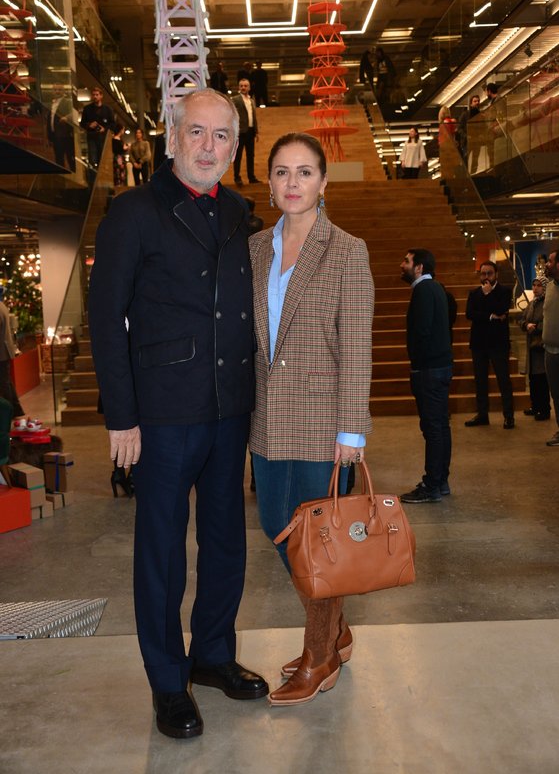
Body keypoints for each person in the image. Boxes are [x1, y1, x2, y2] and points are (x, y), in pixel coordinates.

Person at [88, 88, 268, 741]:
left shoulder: (241, 213)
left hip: (228, 407)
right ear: (173, 137)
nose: (209, 146)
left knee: (224, 541)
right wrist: (120, 417)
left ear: (235, 146)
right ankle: (168, 681)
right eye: (197, 132)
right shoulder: (134, 210)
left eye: (222, 135)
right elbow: (105, 317)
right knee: (162, 550)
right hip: (162, 413)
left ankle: (212, 654)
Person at [250, 132, 374, 706]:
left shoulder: (347, 249)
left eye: (304, 172)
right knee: (278, 525)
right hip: (267, 419)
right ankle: (336, 628)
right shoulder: (255, 248)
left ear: (323, 182)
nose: (292, 182)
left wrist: (352, 430)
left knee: (317, 544)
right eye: (282, 172)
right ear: (269, 182)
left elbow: (356, 345)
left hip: (323, 422)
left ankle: (319, 654)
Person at [399, 249, 452, 504]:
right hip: (440, 367)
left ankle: (432, 485)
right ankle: (440, 481)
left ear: (419, 267)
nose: (402, 265)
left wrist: (417, 363)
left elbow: (421, 331)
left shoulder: (423, 290)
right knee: (440, 426)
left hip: (429, 370)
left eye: (407, 261)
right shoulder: (437, 288)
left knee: (432, 428)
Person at [465, 260, 514, 429]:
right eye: (483, 273)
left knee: (503, 380)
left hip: (498, 343)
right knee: (480, 381)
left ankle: (509, 416)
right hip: (479, 343)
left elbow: (501, 308)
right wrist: (491, 316)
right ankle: (482, 415)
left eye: (489, 273)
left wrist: (489, 295)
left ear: (496, 274)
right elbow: (470, 314)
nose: (486, 277)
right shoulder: (474, 293)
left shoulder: (504, 291)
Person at [518, 277, 550, 421]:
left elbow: (549, 322)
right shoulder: (532, 303)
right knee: (533, 380)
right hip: (531, 347)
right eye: (534, 285)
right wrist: (526, 325)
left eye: (539, 285)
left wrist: (535, 327)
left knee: (541, 380)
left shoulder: (547, 304)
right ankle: (535, 406)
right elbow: (522, 319)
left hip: (541, 347)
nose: (535, 288)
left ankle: (544, 409)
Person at [0, 287, 25, 425]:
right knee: (6, 382)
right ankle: (15, 410)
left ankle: (8, 412)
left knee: (4, 384)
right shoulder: (2, 306)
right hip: (4, 350)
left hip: (1, 352)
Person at [543, 249, 559, 446]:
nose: (547, 264)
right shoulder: (549, 287)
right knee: (556, 394)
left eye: (551, 261)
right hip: (550, 351)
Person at [79, 86, 116, 172]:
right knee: (92, 159)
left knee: (103, 160)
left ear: (101, 96)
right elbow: (82, 123)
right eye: (93, 95)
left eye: (97, 95)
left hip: (104, 139)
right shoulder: (87, 109)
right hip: (91, 137)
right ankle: (93, 177)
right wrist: (89, 125)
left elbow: (113, 124)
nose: (95, 96)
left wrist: (105, 129)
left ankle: (102, 177)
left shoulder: (108, 109)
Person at [232, 78, 260, 186]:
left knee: (250, 155)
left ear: (249, 87)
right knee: (238, 156)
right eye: (241, 86)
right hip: (240, 132)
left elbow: (254, 117)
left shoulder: (252, 100)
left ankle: (251, 177)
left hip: (250, 131)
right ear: (239, 87)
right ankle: (237, 177)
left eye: (245, 86)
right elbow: (231, 114)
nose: (243, 87)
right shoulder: (235, 99)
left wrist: (256, 131)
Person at [47, 84, 76, 171]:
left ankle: (74, 176)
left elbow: (74, 114)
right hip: (55, 135)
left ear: (63, 91)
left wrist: (66, 117)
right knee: (59, 158)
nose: (57, 92)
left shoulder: (67, 101)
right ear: (52, 92)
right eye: (55, 90)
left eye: (59, 90)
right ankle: (62, 176)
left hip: (66, 135)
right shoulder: (52, 103)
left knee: (70, 158)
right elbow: (50, 120)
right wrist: (49, 137)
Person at [457, 94, 482, 173]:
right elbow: (459, 128)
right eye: (475, 101)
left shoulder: (481, 114)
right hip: (467, 141)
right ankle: (466, 174)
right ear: (471, 103)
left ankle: (473, 174)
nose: (477, 103)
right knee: (465, 159)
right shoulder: (465, 114)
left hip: (476, 140)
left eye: (478, 101)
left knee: (475, 159)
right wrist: (466, 136)